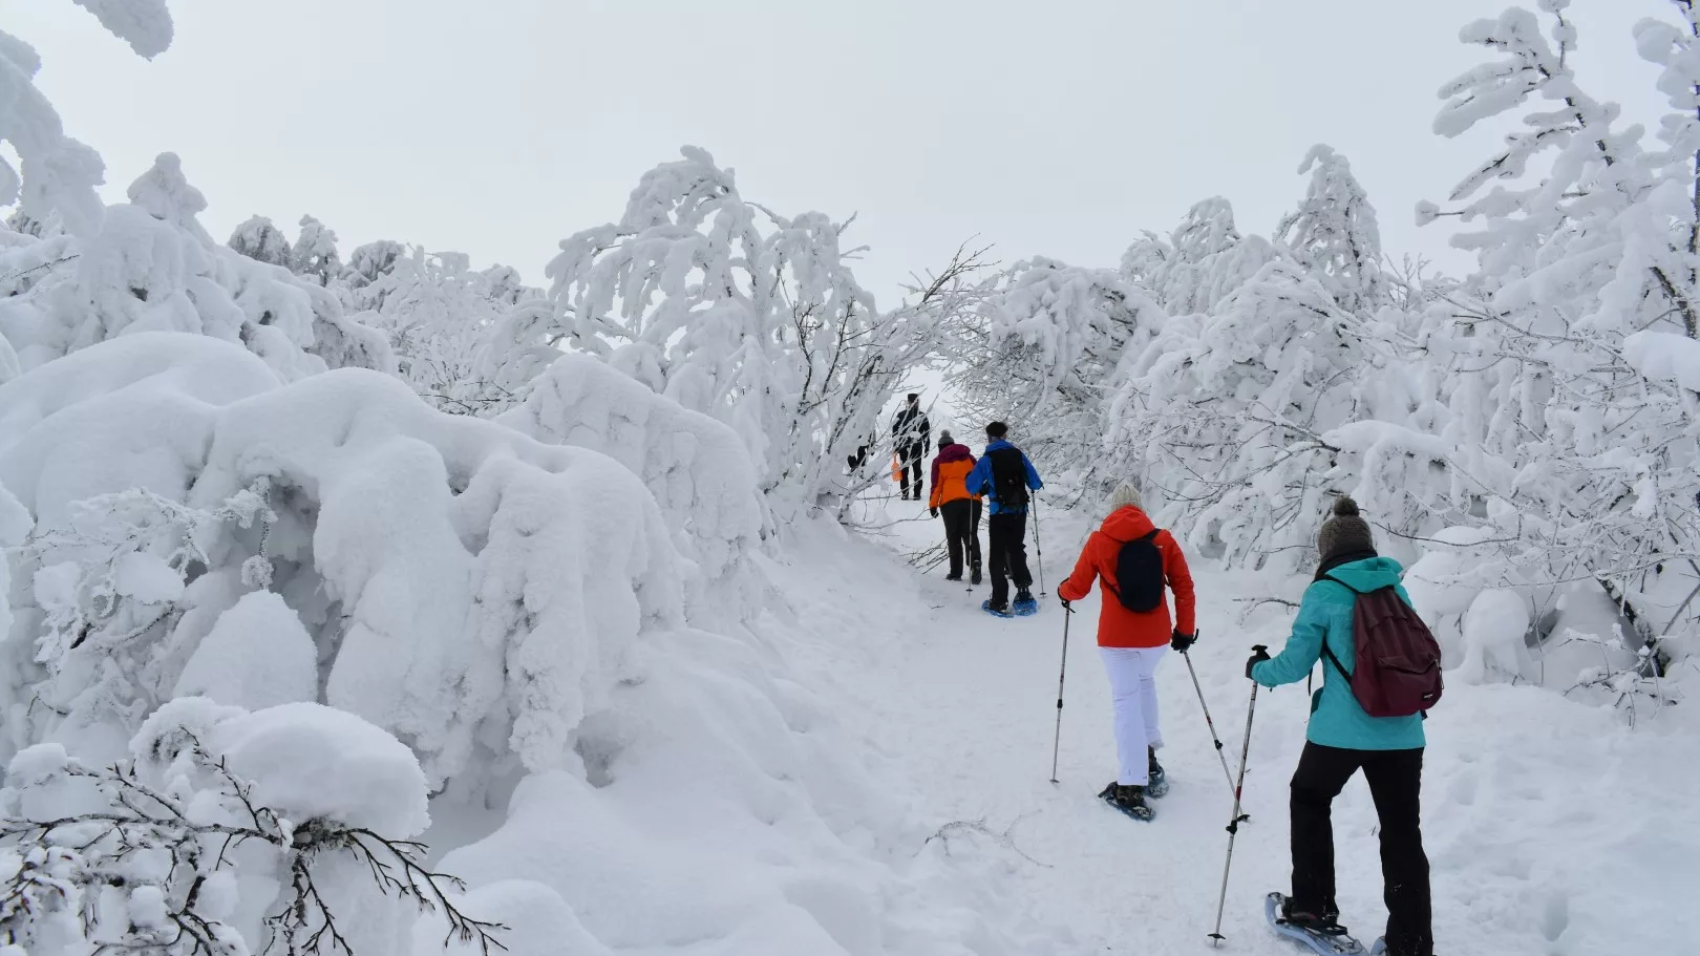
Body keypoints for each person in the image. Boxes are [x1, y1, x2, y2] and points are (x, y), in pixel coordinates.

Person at [1247, 497, 1433, 956]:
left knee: (1309, 798)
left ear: (1326, 551)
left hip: (1342, 731)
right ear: (1367, 546)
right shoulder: (1395, 587)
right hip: (1403, 730)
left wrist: (1258, 670)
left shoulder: (1324, 592)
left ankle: (1313, 908)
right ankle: (1410, 942)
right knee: (1402, 831)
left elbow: (1294, 664)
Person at [1056, 481, 1196, 820]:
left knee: (1125, 703)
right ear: (1140, 509)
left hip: (1116, 639)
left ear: (1114, 509)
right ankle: (1150, 763)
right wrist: (1185, 630)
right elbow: (1183, 586)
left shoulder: (1099, 540)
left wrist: (1063, 592)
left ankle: (1131, 785)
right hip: (1157, 638)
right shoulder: (1162, 540)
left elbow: (1077, 587)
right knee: (1144, 685)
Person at [964, 421, 1042, 614]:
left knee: (997, 554)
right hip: (1019, 511)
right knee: (1016, 549)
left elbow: (971, 488)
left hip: (999, 513)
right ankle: (1024, 593)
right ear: (1005, 435)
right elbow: (1035, 482)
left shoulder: (986, 459)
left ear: (989, 437)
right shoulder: (1018, 455)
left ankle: (999, 600)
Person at [928, 431, 983, 584]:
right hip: (972, 500)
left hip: (950, 502)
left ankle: (956, 572)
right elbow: (978, 477)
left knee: (954, 537)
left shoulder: (939, 460)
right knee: (970, 533)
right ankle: (975, 562)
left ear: (940, 447)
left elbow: (936, 485)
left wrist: (933, 505)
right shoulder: (969, 458)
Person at [891, 394, 930, 500]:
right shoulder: (904, 415)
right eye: (915, 401)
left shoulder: (920, 416)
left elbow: (926, 432)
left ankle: (913, 493)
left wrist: (926, 446)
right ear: (910, 402)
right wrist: (895, 446)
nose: (916, 403)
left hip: (912, 447)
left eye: (917, 401)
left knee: (914, 470)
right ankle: (908, 493)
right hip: (907, 448)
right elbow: (895, 432)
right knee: (908, 470)